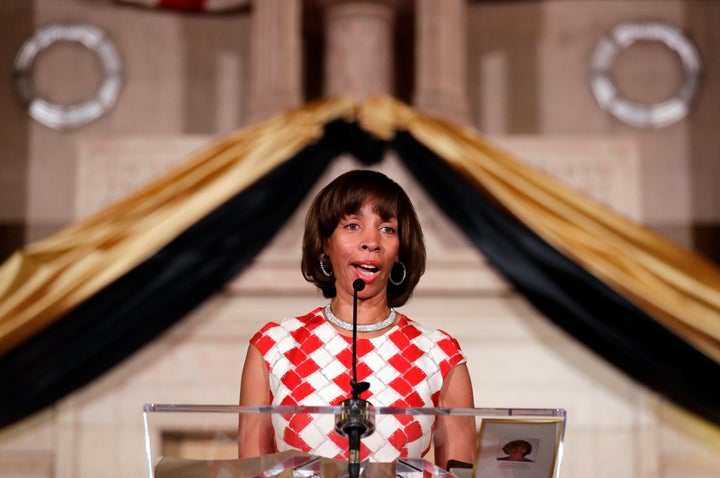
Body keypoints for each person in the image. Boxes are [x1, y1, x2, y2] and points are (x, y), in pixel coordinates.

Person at [238, 169, 476, 469]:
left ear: (401, 250)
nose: (371, 242)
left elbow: (460, 475)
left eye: (387, 229)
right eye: (352, 226)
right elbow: (250, 472)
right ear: (325, 243)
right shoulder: (274, 347)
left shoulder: (440, 354)